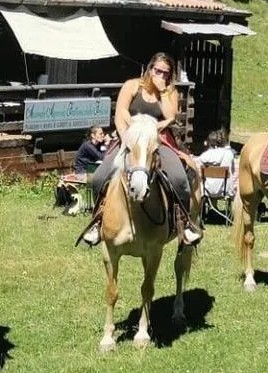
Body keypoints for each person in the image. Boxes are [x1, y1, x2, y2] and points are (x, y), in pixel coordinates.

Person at [80, 52, 199, 246]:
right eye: (157, 71)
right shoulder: (132, 85)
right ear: (150, 68)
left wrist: (162, 92)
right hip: (129, 140)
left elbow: (170, 116)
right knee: (100, 176)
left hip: (158, 141)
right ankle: (98, 221)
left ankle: (184, 223)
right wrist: (126, 137)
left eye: (165, 73)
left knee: (178, 178)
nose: (160, 76)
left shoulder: (170, 92)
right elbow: (120, 113)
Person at [198, 129, 237, 200]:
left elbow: (199, 161)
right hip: (225, 191)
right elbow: (233, 171)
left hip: (207, 190)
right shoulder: (229, 154)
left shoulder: (207, 155)